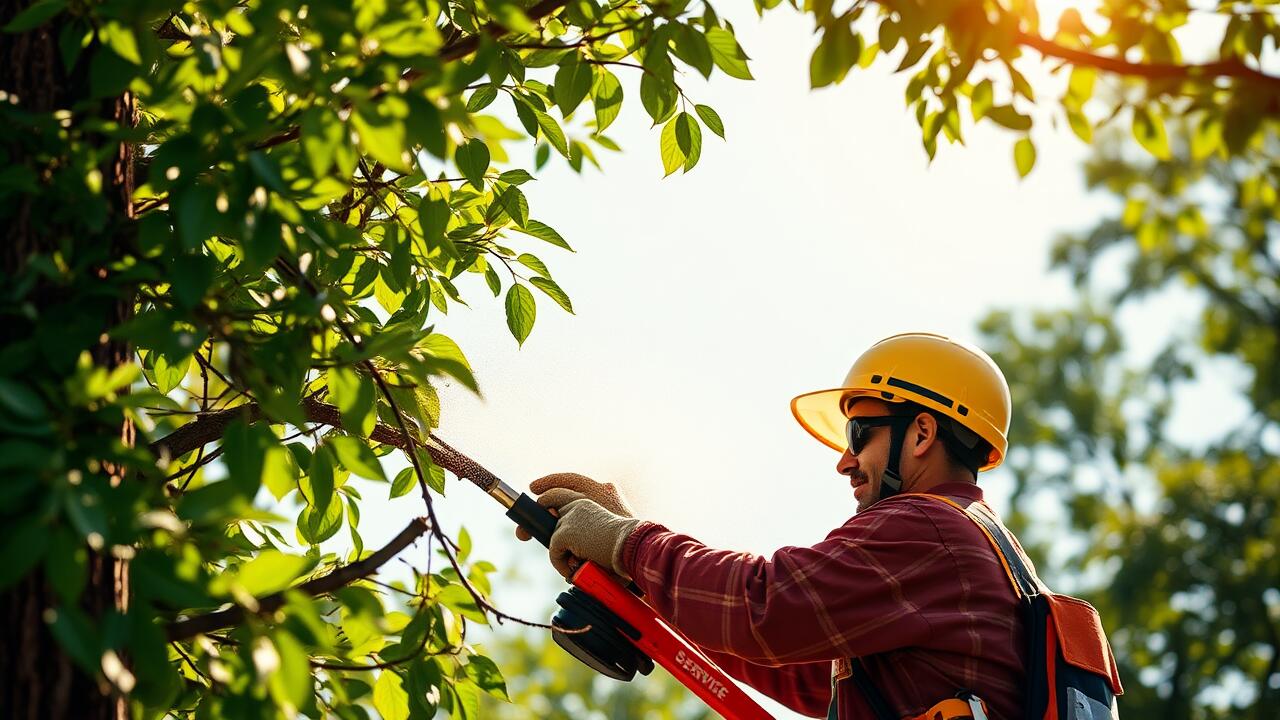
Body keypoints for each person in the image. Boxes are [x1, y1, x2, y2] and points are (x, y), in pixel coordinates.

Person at [519, 332, 1032, 719]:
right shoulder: (982, 548)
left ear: (922, 433)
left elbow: (764, 605)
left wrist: (628, 542)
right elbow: (807, 672)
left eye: (859, 434)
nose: (845, 461)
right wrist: (645, 581)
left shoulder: (926, 528)